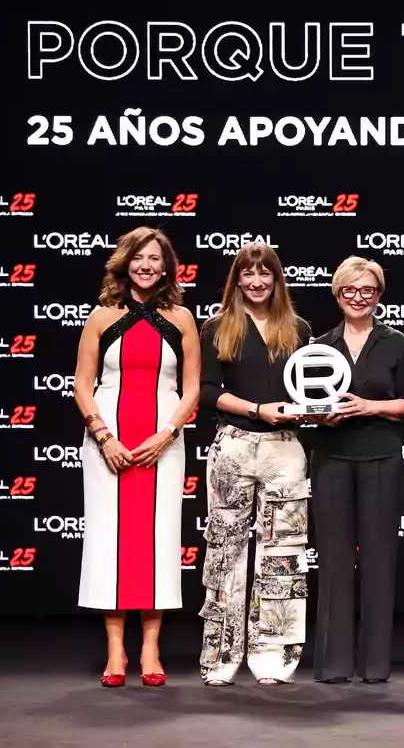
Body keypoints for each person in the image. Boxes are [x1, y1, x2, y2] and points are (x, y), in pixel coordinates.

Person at [74, 226, 200, 688]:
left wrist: (166, 434)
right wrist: (104, 436)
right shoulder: (103, 316)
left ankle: (150, 648)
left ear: (167, 266)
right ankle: (114, 651)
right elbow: (82, 386)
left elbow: (191, 390)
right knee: (110, 541)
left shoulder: (182, 318)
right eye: (138, 258)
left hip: (162, 444)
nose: (146, 266)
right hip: (109, 443)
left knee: (159, 542)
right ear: (125, 263)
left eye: (155, 259)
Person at [197, 241, 314, 686]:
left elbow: (310, 389)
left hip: (286, 446)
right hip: (234, 444)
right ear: (237, 280)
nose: (257, 281)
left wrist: (303, 410)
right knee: (225, 551)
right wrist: (256, 409)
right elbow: (208, 392)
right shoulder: (217, 327)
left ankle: (274, 657)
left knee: (283, 554)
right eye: (248, 273)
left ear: (276, 278)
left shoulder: (299, 328)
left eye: (265, 273)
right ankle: (220, 659)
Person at [309, 256, 404, 684]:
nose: (358, 297)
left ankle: (375, 665)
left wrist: (371, 406)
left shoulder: (396, 342)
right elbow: (306, 402)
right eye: (350, 290)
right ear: (337, 294)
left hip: (381, 455)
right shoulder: (318, 345)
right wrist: (321, 416)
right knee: (333, 561)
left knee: (378, 560)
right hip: (331, 456)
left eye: (368, 290)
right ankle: (333, 665)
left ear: (379, 296)